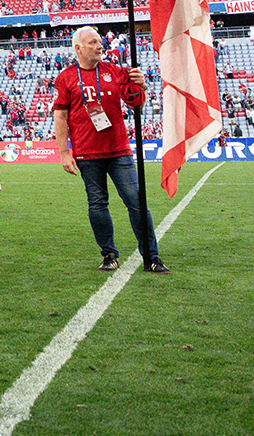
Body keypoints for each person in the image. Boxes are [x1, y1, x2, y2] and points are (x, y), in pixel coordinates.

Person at [50, 25, 168, 273]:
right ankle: (109, 254)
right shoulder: (66, 78)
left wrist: (142, 87)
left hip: (118, 150)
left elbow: (136, 104)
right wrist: (64, 152)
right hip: (86, 152)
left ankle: (151, 256)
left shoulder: (115, 71)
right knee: (97, 204)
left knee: (136, 201)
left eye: (100, 41)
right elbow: (60, 117)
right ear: (78, 48)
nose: (99, 46)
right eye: (93, 42)